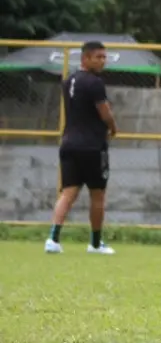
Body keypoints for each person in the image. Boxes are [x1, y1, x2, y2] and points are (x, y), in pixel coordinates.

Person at [45, 41, 118, 255]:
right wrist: (113, 127)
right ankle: (95, 244)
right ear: (85, 58)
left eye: (104, 57)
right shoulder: (95, 83)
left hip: (68, 143)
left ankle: (53, 239)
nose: (102, 61)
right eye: (98, 57)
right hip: (92, 146)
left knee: (68, 192)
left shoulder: (69, 81)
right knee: (97, 194)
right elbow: (104, 113)